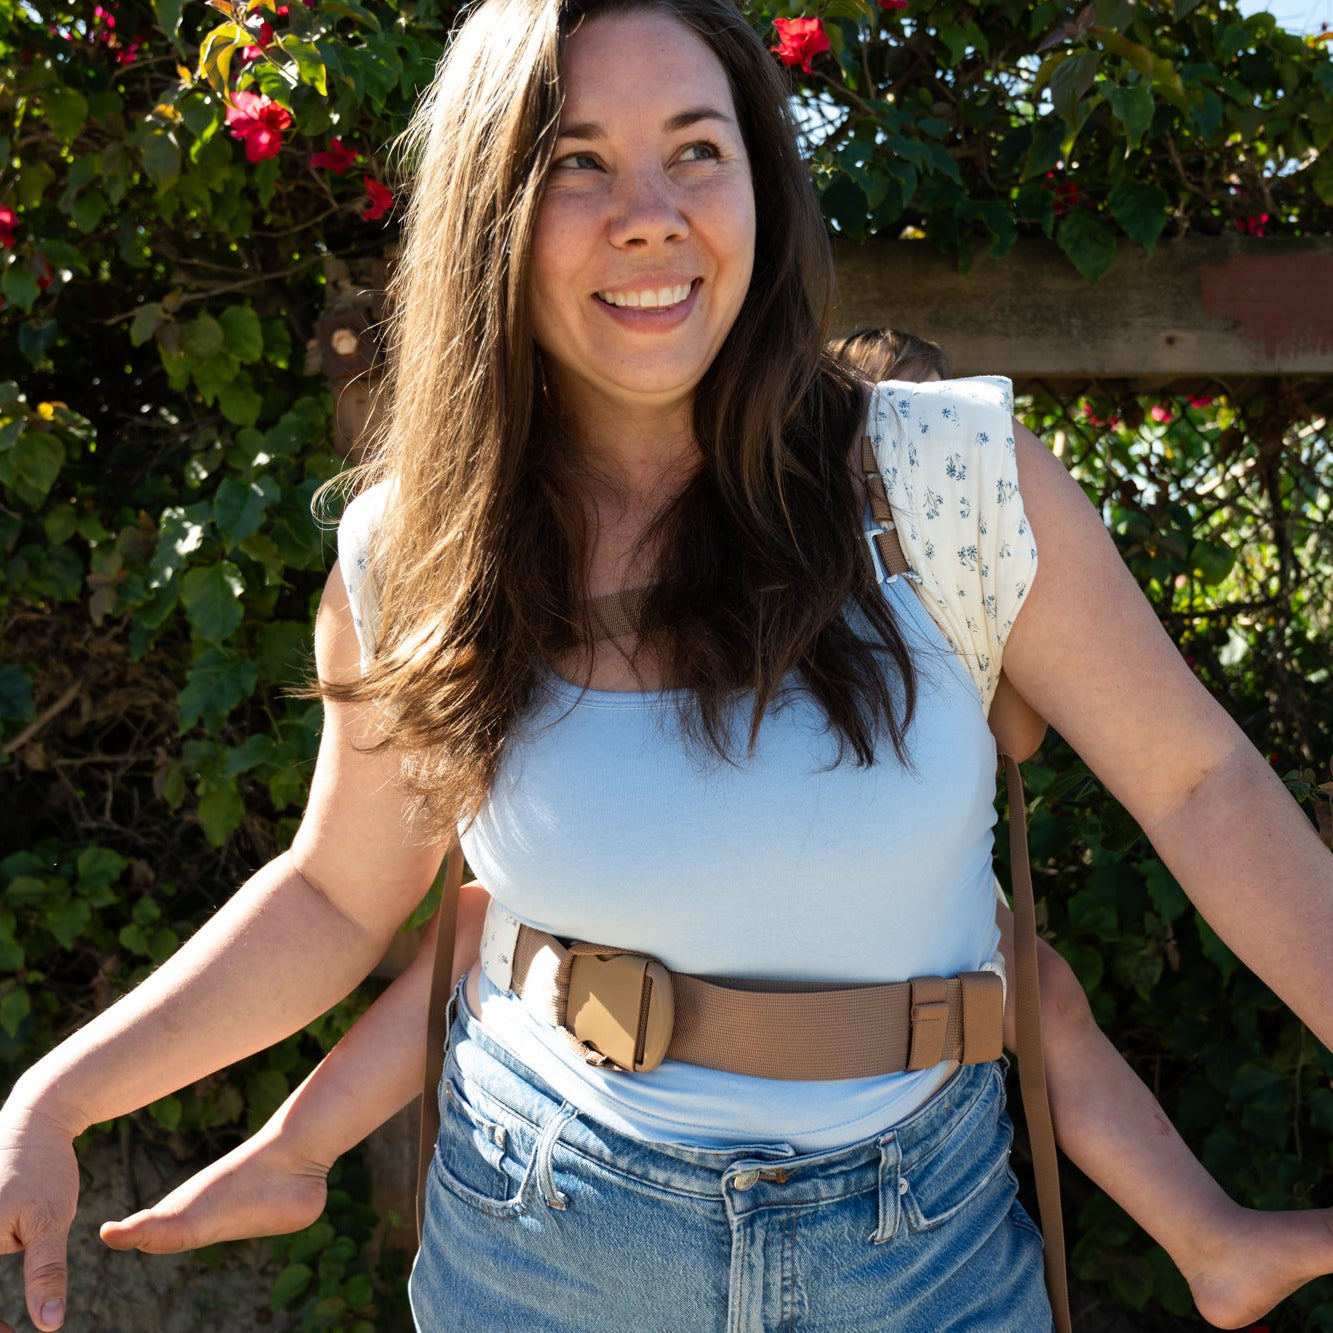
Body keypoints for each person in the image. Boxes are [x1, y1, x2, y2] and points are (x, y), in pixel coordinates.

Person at [5, 0, 1333, 1326]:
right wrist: (57, 1095)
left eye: (696, 148)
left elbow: (1198, 785)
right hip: (539, 1239)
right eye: (576, 159)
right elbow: (335, 899)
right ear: (490, 206)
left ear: (761, 183)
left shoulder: (951, 478)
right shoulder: (412, 548)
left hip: (919, 1248)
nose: (648, 212)